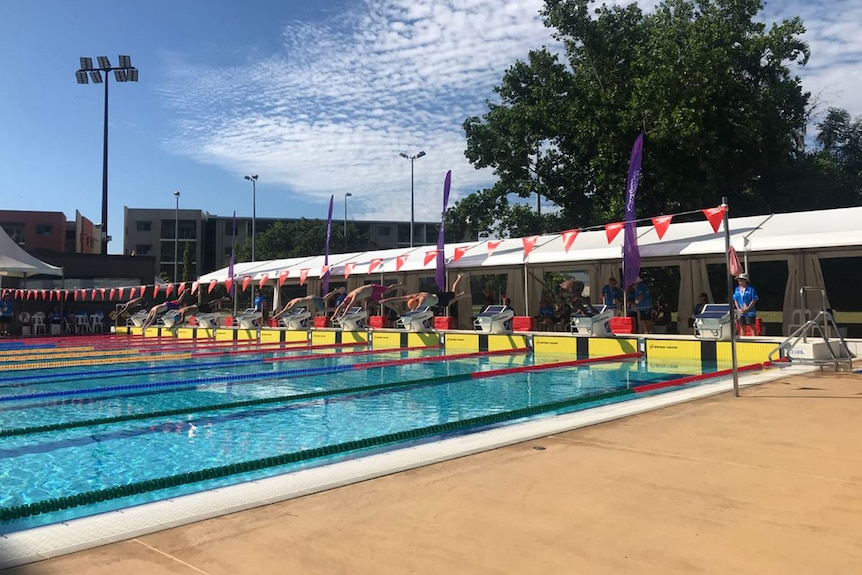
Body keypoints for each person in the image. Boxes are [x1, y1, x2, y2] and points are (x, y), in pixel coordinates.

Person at [380, 274, 468, 313]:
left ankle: (459, 277)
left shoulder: (422, 298)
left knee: (453, 292)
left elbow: (419, 306)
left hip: (439, 298)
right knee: (448, 304)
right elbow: (399, 298)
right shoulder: (413, 296)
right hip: (437, 302)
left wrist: (412, 312)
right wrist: (386, 300)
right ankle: (461, 296)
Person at [332, 283, 403, 321]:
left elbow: (350, 305)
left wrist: (344, 315)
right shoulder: (347, 298)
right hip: (371, 294)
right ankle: (397, 310)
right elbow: (340, 306)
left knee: (388, 289)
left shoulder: (354, 295)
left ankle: (400, 285)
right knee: (382, 301)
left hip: (373, 288)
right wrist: (334, 315)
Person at [272, 288, 341, 319]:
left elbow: (286, 310)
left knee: (322, 309)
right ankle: (334, 291)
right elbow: (285, 309)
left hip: (313, 299)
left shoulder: (293, 304)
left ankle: (335, 309)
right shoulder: (291, 301)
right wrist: (278, 315)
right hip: (311, 297)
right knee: (324, 299)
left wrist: (276, 316)